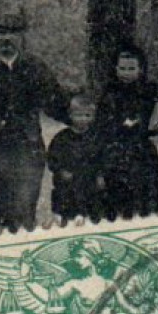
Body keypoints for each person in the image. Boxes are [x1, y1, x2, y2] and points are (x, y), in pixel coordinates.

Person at [0, 13, 72, 233]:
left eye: (13, 33)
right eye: (0, 33)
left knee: (22, 219)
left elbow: (57, 104)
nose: (6, 39)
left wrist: (89, 118)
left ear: (22, 38)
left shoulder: (35, 67)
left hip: (25, 157)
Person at [93, 44, 158, 219]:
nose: (126, 73)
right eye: (123, 68)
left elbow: (155, 122)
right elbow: (100, 128)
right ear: (116, 69)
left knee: (145, 208)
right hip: (115, 156)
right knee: (115, 207)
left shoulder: (149, 93)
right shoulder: (109, 95)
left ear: (140, 70)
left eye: (131, 69)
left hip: (142, 157)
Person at [46, 94, 102, 222]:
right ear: (70, 115)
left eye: (87, 115)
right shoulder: (62, 137)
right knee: (65, 208)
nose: (83, 119)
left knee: (90, 207)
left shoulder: (95, 137)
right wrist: (60, 170)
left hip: (88, 180)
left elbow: (101, 157)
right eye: (78, 115)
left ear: (93, 117)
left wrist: (100, 174)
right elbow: (52, 157)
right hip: (67, 181)